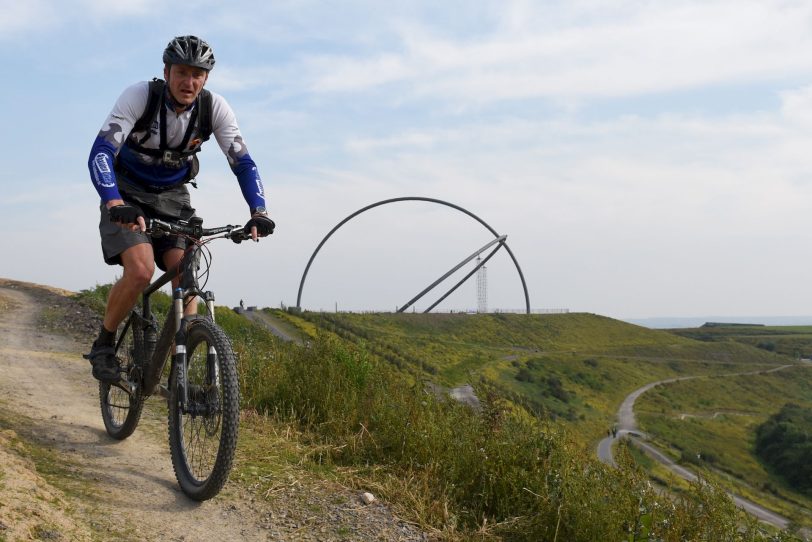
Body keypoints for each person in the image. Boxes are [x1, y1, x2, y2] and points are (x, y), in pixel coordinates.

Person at [86, 35, 274, 383]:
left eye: (197, 75)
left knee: (186, 274)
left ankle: (179, 372)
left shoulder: (213, 108)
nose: (189, 82)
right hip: (127, 193)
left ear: (206, 78)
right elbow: (101, 152)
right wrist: (114, 202)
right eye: (182, 73)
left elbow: (243, 163)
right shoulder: (140, 97)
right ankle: (105, 343)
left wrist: (258, 210)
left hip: (173, 196)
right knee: (141, 271)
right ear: (167, 72)